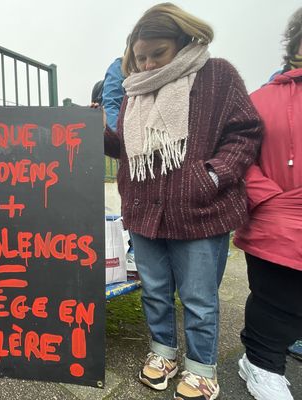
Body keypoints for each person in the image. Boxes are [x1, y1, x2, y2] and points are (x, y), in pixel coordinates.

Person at [102, 3, 262, 399]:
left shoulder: (217, 75)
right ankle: (163, 353)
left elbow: (246, 132)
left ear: (183, 43)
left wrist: (212, 175)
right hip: (143, 210)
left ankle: (202, 368)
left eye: (158, 53)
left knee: (198, 297)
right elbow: (125, 149)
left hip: (201, 209)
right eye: (140, 57)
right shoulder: (132, 93)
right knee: (154, 290)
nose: (147, 64)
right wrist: (92, 131)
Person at [233, 7, 302, 400]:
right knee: (275, 296)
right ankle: (262, 363)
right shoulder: (260, 99)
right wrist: (269, 200)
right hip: (277, 217)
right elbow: (237, 155)